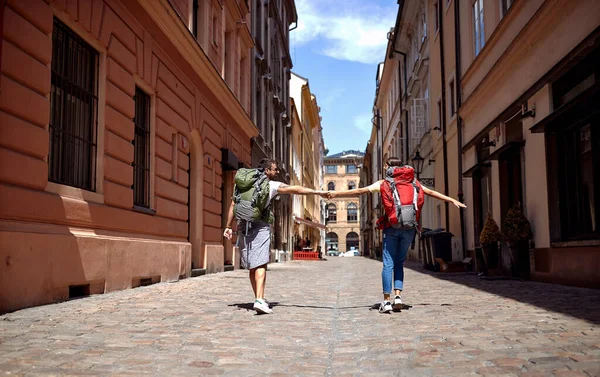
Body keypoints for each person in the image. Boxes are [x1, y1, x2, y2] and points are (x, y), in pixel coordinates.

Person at [330, 157, 466, 314]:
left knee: (388, 264)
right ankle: (398, 297)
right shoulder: (413, 183)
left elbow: (359, 191)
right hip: (409, 228)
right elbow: (431, 192)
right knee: (399, 262)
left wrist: (335, 194)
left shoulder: (384, 183)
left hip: (391, 227)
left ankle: (387, 301)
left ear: (388, 166)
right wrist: (451, 200)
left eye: (384, 165)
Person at [223, 158, 329, 314]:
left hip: (243, 226)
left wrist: (227, 226)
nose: (277, 172)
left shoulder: (242, 185)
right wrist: (318, 192)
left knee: (252, 266)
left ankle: (258, 297)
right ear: (267, 171)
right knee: (260, 264)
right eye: (274, 169)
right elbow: (296, 189)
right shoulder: (270, 185)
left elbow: (233, 204)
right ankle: (259, 300)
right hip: (260, 226)